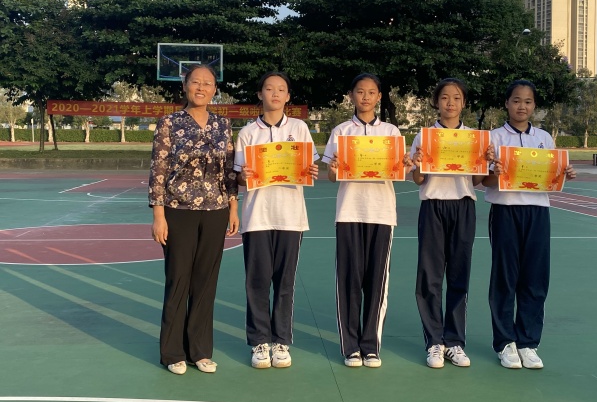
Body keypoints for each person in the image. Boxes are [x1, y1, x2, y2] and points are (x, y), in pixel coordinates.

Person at [148, 64, 239, 375]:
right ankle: (172, 352)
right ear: (185, 86)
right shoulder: (169, 123)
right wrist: (159, 215)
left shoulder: (223, 125)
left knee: (205, 282)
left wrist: (233, 208)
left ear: (215, 89)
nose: (201, 88)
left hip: (216, 211)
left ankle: (199, 350)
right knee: (178, 280)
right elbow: (158, 170)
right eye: (196, 82)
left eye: (208, 83)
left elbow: (230, 170)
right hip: (178, 211)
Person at [481, 79, 576, 370]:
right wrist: (496, 172)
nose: (521, 106)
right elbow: (484, 181)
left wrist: (564, 173)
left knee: (535, 278)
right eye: (516, 100)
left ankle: (528, 343)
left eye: (527, 101)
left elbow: (550, 177)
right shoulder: (493, 138)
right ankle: (505, 342)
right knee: (505, 278)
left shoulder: (544, 139)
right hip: (505, 211)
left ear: (534, 106)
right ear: (506, 103)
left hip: (538, 212)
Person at [323, 73, 412, 369]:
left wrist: (405, 165)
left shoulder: (391, 132)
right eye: (360, 92)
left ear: (379, 97)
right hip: (349, 212)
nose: (365, 97)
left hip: (382, 213)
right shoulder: (341, 131)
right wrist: (334, 169)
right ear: (351, 95)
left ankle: (370, 346)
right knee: (349, 281)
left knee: (377, 282)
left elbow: (399, 173)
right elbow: (331, 175)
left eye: (371, 92)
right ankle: (351, 347)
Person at [235, 71, 319, 369]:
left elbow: (310, 165)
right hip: (257, 217)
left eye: (281, 89)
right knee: (257, 282)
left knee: (285, 283)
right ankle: (259, 342)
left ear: (288, 96)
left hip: (291, 218)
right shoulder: (248, 133)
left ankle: (281, 341)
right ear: (260, 94)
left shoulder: (299, 128)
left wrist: (311, 170)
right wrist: (243, 176)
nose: (274, 93)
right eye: (269, 88)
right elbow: (239, 177)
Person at [410, 78, 493, 369]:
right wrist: (419, 162)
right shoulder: (425, 136)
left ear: (464, 103)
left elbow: (478, 181)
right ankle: (434, 341)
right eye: (445, 97)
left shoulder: (474, 138)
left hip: (463, 206)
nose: (450, 103)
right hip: (433, 206)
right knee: (430, 276)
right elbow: (418, 179)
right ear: (436, 101)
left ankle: (455, 341)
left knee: (459, 275)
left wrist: (485, 161)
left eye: (456, 98)